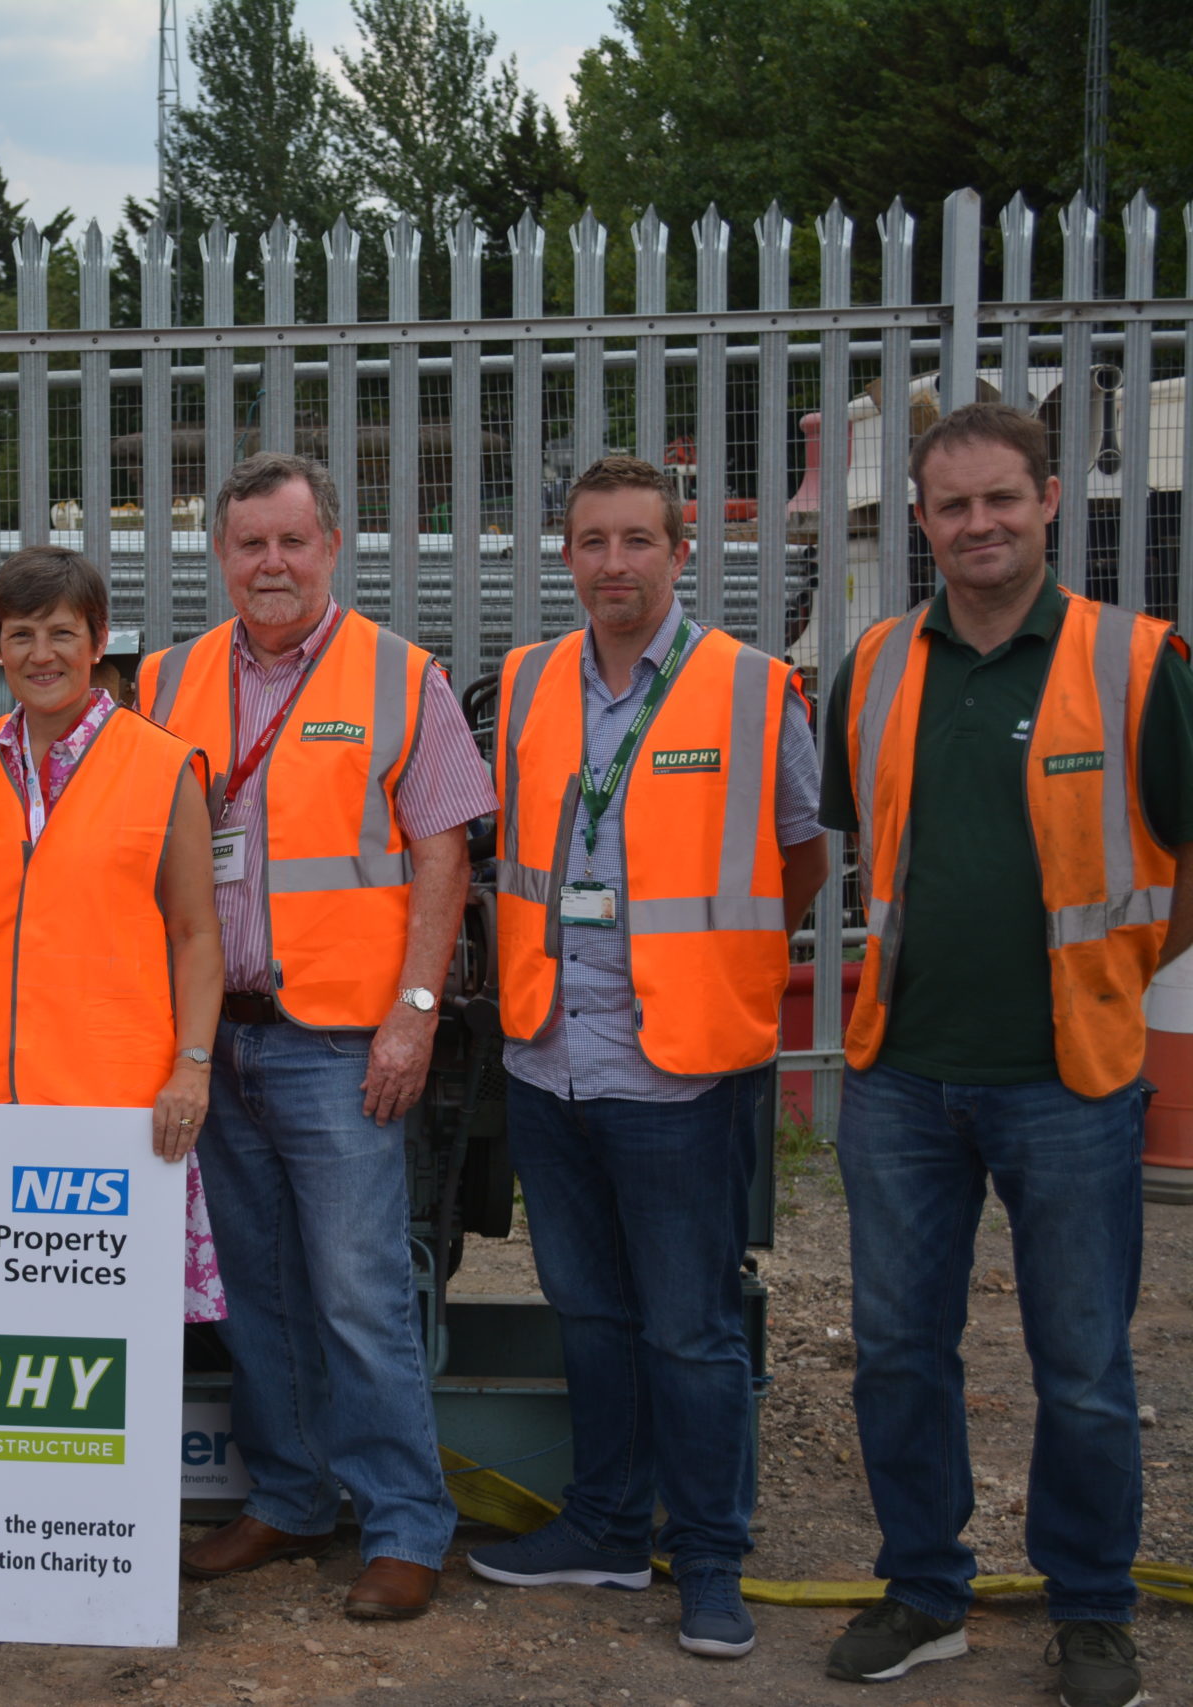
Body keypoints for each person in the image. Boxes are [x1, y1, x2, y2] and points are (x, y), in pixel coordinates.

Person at [816, 401, 1193, 1707]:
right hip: (901, 1073)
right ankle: (924, 1588)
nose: (979, 523)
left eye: (1002, 499)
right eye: (953, 505)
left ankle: (1091, 1605)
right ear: (919, 520)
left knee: (1083, 1363)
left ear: (1050, 501)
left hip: (1072, 1079)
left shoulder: (1140, 662)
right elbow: (858, 841)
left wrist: (1116, 972)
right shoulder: (872, 667)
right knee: (898, 1347)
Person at [471, 455, 827, 1661]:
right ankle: (609, 1524)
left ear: (682, 552)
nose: (612, 565)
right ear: (563, 556)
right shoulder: (523, 685)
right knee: (588, 1313)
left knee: (691, 1325)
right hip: (548, 1057)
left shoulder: (749, 688)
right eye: (590, 543)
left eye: (637, 541)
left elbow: (799, 857)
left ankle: (710, 1557)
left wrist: (715, 967)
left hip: (678, 1069)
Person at [144, 451, 496, 1619]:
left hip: (342, 1043)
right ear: (219, 556)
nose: (272, 564)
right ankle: (290, 1500)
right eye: (249, 544)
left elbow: (442, 849)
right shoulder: (165, 682)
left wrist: (413, 1011)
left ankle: (403, 1524)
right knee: (255, 1291)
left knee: (357, 1292)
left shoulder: (402, 678)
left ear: (332, 547)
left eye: (293, 542)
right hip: (215, 1041)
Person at [0, 546, 226, 1320]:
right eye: (21, 633)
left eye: (62, 633)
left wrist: (192, 1066)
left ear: (99, 641)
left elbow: (196, 933)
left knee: (103, 1338)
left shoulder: (164, 765)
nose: (41, 654)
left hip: (112, 1116)